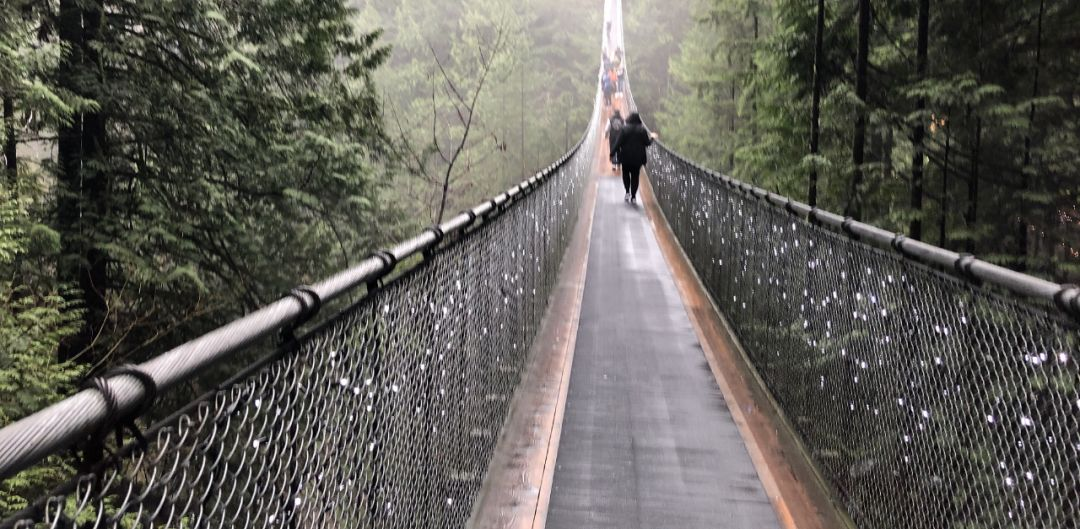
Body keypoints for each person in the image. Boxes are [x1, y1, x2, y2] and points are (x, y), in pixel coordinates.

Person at [610, 112, 658, 204]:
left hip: (625, 157)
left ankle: (627, 192)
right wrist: (652, 138)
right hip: (638, 158)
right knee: (635, 176)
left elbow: (618, 143)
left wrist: (612, 153)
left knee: (625, 174)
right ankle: (633, 196)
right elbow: (647, 143)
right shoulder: (642, 130)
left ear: (629, 119)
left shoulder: (624, 129)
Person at [606, 110, 624, 174]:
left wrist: (606, 135)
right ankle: (618, 165)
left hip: (612, 137)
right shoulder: (622, 120)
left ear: (614, 113)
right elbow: (625, 128)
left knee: (613, 150)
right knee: (619, 150)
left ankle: (613, 165)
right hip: (620, 137)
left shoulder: (610, 119)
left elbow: (607, 128)